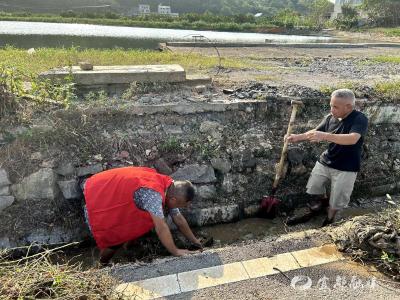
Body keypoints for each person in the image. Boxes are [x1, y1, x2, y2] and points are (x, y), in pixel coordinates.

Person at [82, 166, 202, 264]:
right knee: (114, 241)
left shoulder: (167, 185)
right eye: (180, 205)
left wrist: (195, 242)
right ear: (174, 199)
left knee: (141, 222)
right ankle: (102, 265)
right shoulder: (154, 194)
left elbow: (178, 219)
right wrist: (175, 251)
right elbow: (161, 227)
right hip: (98, 203)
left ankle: (129, 248)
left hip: (106, 191)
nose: (178, 208)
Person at [286, 89, 368, 226]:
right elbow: (316, 132)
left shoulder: (360, 118)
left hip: (347, 166)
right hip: (326, 160)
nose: (331, 109)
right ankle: (318, 208)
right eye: (331, 105)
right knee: (314, 187)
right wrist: (296, 138)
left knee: (337, 200)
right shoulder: (330, 117)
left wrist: (324, 136)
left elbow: (353, 139)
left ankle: (329, 219)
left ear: (348, 106)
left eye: (335, 107)